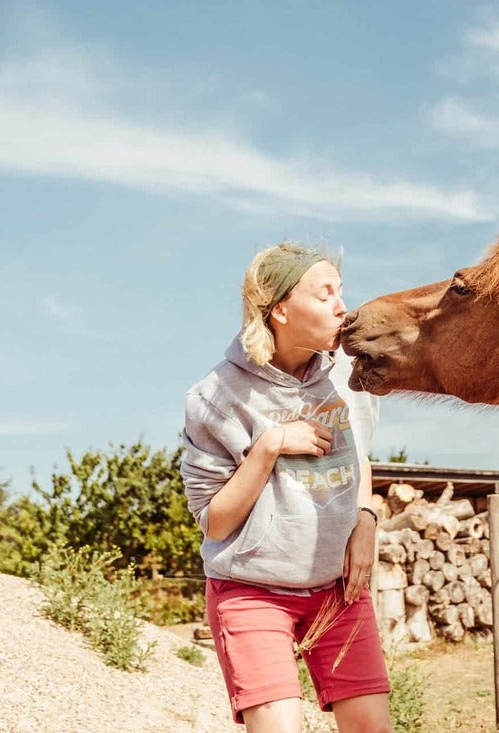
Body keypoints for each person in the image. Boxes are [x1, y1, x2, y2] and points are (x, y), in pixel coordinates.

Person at [180, 243, 392, 732]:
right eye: (325, 295)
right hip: (252, 590)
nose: (343, 307)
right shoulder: (214, 397)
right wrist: (270, 445)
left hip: (340, 592)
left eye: (342, 292)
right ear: (280, 310)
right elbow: (215, 520)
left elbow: (358, 455)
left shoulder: (346, 377)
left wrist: (366, 518)